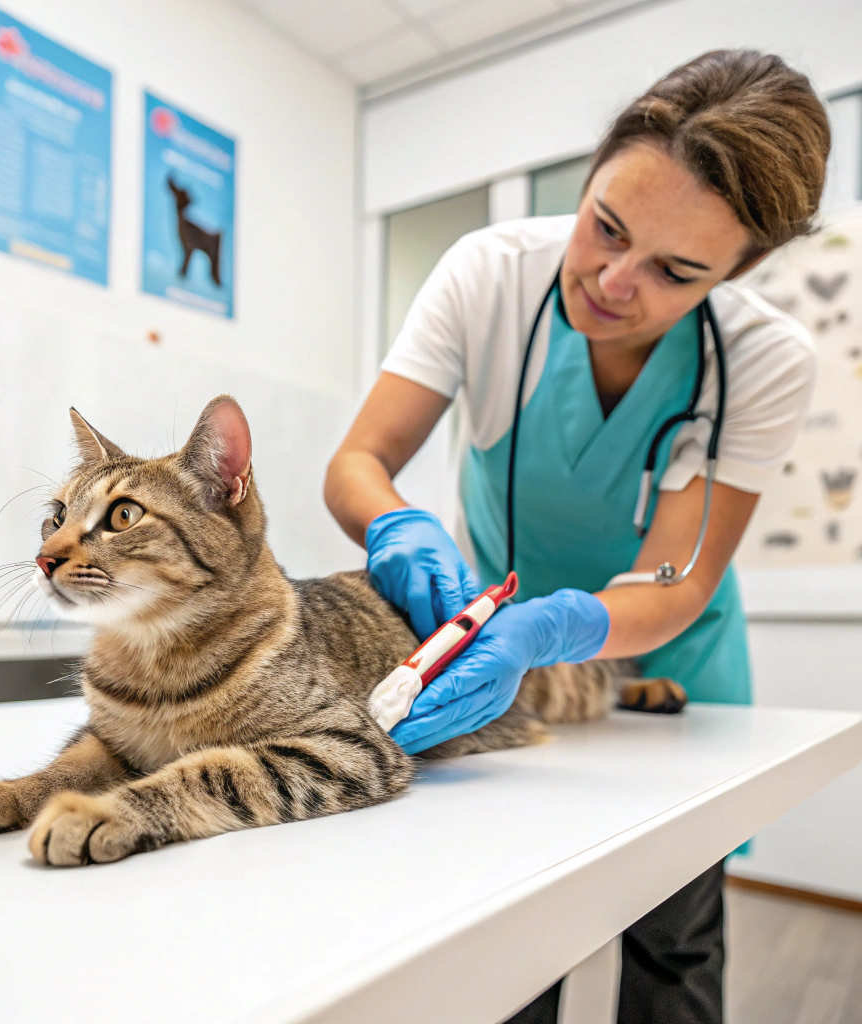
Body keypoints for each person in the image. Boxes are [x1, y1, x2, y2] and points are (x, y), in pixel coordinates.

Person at [325, 50, 829, 1023]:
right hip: (494, 660)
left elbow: (677, 576)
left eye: (677, 271)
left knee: (672, 938)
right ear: (593, 169)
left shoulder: (761, 360)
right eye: (606, 224)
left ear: (744, 267)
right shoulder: (490, 274)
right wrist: (394, 521)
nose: (610, 279)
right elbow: (358, 461)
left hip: (666, 665)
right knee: (513, 935)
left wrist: (550, 628)